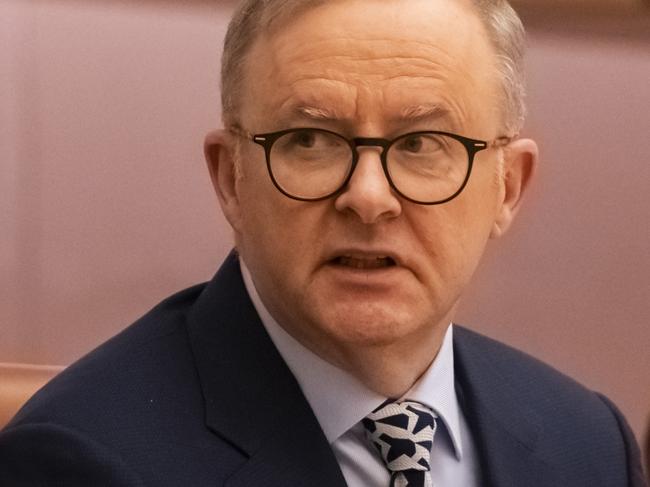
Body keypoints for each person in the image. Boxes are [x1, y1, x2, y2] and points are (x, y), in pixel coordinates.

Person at [0, 0, 646, 485]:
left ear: (507, 187)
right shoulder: (83, 458)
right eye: (310, 141)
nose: (368, 196)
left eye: (423, 143)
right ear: (232, 179)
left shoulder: (589, 442)